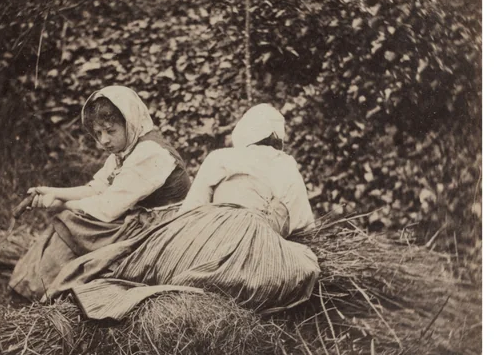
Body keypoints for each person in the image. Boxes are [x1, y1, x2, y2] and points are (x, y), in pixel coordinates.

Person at [49, 103, 319, 320]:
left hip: (218, 225)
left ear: (243, 134)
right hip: (263, 237)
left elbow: (192, 209)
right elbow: (304, 223)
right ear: (278, 139)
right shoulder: (288, 165)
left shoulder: (223, 157)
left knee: (147, 264)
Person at [8, 86, 191, 299]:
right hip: (139, 217)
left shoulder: (150, 153)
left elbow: (106, 210)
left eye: (110, 131)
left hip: (162, 227)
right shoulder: (125, 151)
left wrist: (59, 203)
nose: (104, 140)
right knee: (72, 221)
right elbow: (96, 188)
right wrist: (53, 192)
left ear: (129, 124)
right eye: (98, 133)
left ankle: (43, 291)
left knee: (73, 221)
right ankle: (33, 288)